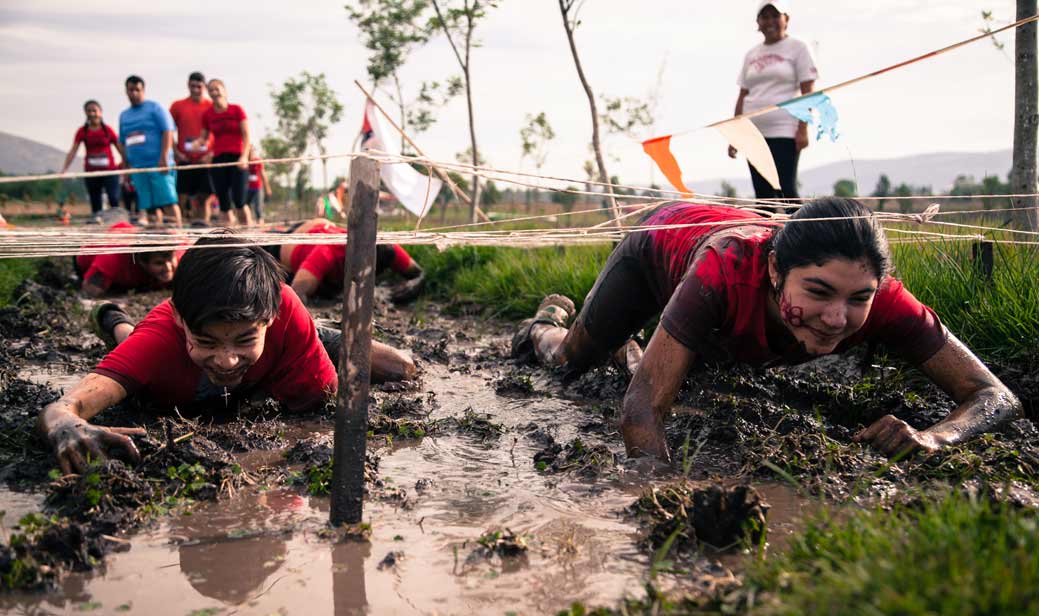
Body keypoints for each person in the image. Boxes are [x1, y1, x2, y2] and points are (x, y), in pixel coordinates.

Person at [511, 198, 1022, 464]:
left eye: (858, 298)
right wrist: (658, 496)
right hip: (659, 242)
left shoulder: (883, 298)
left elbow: (993, 395)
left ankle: (646, 345)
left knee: (701, 368)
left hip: (717, 302)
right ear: (775, 271)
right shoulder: (725, 269)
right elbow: (640, 410)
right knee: (573, 360)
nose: (837, 319)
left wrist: (938, 437)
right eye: (818, 293)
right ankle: (542, 328)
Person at [39, 234, 417, 474]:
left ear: (270, 320)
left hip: (294, 332)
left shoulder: (285, 315)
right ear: (181, 320)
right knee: (131, 342)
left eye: (242, 341)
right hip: (158, 347)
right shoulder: (160, 339)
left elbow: (319, 410)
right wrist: (65, 427)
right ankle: (113, 318)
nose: (225, 360)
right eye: (206, 342)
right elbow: (62, 408)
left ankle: (321, 332)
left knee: (402, 368)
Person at [728, 0, 817, 206]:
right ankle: (767, 238)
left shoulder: (798, 48)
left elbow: (808, 91)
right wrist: (735, 134)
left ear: (786, 19)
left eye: (775, 16)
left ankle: (804, 236)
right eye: (764, 17)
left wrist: (803, 129)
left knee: (786, 190)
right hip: (753, 131)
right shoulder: (752, 54)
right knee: (763, 195)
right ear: (758, 22)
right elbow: (743, 94)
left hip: (784, 129)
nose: (770, 21)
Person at [264, 218, 424, 304]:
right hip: (287, 244)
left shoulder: (388, 249)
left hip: (322, 228)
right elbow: (297, 294)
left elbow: (418, 273)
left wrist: (413, 286)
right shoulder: (327, 252)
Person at [119, 75, 182, 227]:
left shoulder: (155, 108)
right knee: (149, 207)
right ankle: (159, 246)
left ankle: (180, 241)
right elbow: (122, 141)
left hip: (158, 164)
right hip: (138, 167)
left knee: (168, 201)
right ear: (126, 92)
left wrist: (164, 157)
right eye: (130, 90)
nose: (134, 93)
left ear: (143, 90)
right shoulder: (124, 115)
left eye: (137, 90)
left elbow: (168, 131)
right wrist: (126, 165)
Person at [194, 79, 251, 226]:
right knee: (223, 201)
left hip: (237, 158)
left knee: (239, 200)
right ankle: (229, 235)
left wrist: (244, 156)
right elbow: (204, 138)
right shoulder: (208, 114)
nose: (214, 92)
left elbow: (246, 135)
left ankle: (251, 232)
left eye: (217, 89)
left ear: (224, 91)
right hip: (219, 159)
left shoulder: (236, 110)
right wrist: (197, 143)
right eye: (211, 90)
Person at [73, 221, 179, 297]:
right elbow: (89, 291)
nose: (168, 267)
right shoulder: (112, 260)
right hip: (88, 256)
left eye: (170, 260)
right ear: (142, 262)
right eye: (159, 263)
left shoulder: (180, 254)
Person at [61, 100, 124, 222]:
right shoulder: (82, 131)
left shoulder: (108, 130)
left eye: (94, 110)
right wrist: (65, 168)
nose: (92, 113)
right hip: (91, 172)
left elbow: (120, 148)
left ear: (100, 112)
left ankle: (117, 220)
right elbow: (73, 151)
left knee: (113, 197)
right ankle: (97, 221)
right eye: (89, 111)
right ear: (85, 113)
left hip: (110, 171)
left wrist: (126, 165)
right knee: (95, 199)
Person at [169, 71, 215, 226]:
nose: (195, 89)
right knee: (181, 197)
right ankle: (181, 232)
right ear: (188, 85)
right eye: (192, 86)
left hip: (205, 161)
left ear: (204, 87)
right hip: (185, 160)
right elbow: (167, 131)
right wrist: (176, 152)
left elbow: (219, 132)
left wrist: (211, 154)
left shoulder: (211, 106)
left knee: (204, 198)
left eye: (199, 86)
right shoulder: (178, 106)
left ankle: (205, 231)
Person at [245, 150, 271, 225]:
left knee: (258, 208)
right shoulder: (244, 161)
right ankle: (248, 223)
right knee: (245, 205)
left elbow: (263, 174)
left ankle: (260, 225)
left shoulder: (258, 161)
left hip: (257, 188)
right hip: (247, 188)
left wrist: (267, 188)